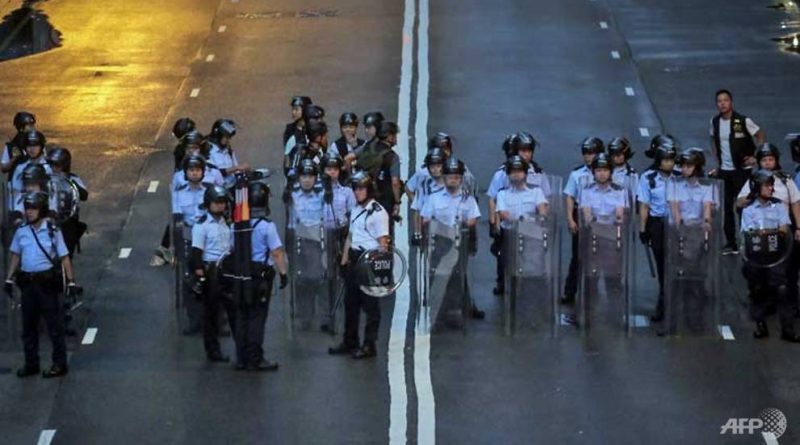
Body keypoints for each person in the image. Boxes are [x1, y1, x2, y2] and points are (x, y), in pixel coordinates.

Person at [4, 191, 78, 378]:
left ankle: (59, 364)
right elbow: (15, 255)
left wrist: (71, 281)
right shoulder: (22, 232)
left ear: (42, 210)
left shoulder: (52, 231)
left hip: (46, 285)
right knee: (28, 327)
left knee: (54, 326)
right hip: (28, 284)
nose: (29, 212)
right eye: (27, 208)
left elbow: (64, 257)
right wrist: (9, 278)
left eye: (33, 208)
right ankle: (31, 363)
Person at [329, 170, 390, 359]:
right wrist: (344, 261)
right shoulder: (356, 209)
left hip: (370, 261)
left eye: (361, 189)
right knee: (351, 303)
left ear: (369, 189)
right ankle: (350, 341)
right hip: (354, 260)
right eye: (355, 189)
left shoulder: (378, 213)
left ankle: (369, 344)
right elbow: (351, 236)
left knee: (371, 306)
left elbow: (383, 243)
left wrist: (379, 269)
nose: (357, 192)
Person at [420, 157, 482, 326]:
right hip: (440, 242)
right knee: (437, 276)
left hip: (459, 242)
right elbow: (425, 218)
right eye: (449, 176)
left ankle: (455, 312)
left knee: (457, 278)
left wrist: (462, 224)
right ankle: (437, 311)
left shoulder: (467, 199)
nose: (453, 179)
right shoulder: (434, 198)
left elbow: (473, 220)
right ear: (444, 177)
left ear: (461, 178)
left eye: (456, 177)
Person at [740, 169, 800, 342]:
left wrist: (767, 232)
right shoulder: (749, 209)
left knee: (782, 290)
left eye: (771, 185)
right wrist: (768, 232)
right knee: (758, 291)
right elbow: (748, 233)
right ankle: (761, 326)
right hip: (756, 258)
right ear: (757, 187)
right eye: (766, 185)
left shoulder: (779, 205)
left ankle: (787, 329)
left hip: (776, 257)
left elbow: (784, 227)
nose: (770, 189)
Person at [235, 181, 288, 371]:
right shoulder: (267, 226)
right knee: (257, 317)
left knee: (242, 316)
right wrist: (283, 273)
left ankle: (241, 357)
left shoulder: (239, 223)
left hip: (240, 273)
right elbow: (277, 253)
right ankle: (256, 358)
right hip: (260, 276)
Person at [488, 132, 549, 295]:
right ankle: (503, 283)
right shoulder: (502, 172)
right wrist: (494, 222)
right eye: (522, 151)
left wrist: (542, 221)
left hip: (531, 226)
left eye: (529, 151)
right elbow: (493, 197)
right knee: (504, 256)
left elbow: (545, 198)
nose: (526, 154)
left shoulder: (538, 173)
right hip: (509, 225)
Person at [708, 89, 765, 255]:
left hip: (742, 171)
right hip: (724, 172)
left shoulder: (743, 120)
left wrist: (756, 157)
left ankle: (746, 240)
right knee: (726, 208)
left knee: (743, 206)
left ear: (731, 102)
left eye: (725, 100)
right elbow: (712, 139)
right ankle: (731, 243)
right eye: (719, 101)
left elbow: (760, 135)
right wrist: (717, 160)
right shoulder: (714, 122)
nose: (722, 103)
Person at [191, 185, 236, 362]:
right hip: (211, 271)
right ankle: (213, 351)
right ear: (208, 204)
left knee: (234, 309)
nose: (220, 206)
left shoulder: (228, 223)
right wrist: (200, 276)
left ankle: (241, 347)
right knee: (211, 313)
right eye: (216, 202)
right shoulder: (201, 226)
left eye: (223, 202)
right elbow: (196, 253)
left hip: (228, 269)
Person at [637, 136, 679, 321]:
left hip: (677, 225)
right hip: (657, 223)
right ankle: (663, 304)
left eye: (671, 160)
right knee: (662, 266)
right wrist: (643, 229)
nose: (669, 164)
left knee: (677, 265)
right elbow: (644, 205)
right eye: (665, 160)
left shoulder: (680, 175)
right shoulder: (648, 177)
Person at [561, 137, 604, 304]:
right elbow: (570, 197)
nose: (588, 157)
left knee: (601, 258)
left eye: (592, 153)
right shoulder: (577, 174)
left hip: (602, 218)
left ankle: (594, 293)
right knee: (578, 257)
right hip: (582, 218)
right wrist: (570, 220)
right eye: (586, 153)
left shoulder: (607, 171)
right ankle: (569, 292)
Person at [353, 122, 402, 228]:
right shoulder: (392, 157)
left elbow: (348, 158)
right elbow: (395, 182)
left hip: (364, 197)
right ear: (389, 136)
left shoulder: (366, 147)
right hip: (383, 200)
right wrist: (397, 202)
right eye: (395, 135)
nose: (396, 138)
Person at [46, 146, 89, 257]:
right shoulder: (47, 179)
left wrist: (72, 184)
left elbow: (84, 195)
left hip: (67, 220)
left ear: (64, 165)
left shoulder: (73, 178)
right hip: (50, 218)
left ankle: (66, 271)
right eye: (52, 165)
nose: (54, 168)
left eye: (57, 165)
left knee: (67, 251)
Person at [207, 119, 249, 186]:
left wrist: (243, 169)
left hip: (232, 186)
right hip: (217, 189)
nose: (228, 140)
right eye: (226, 137)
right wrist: (236, 168)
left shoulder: (228, 149)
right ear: (218, 135)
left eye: (229, 137)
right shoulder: (208, 150)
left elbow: (236, 168)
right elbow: (213, 173)